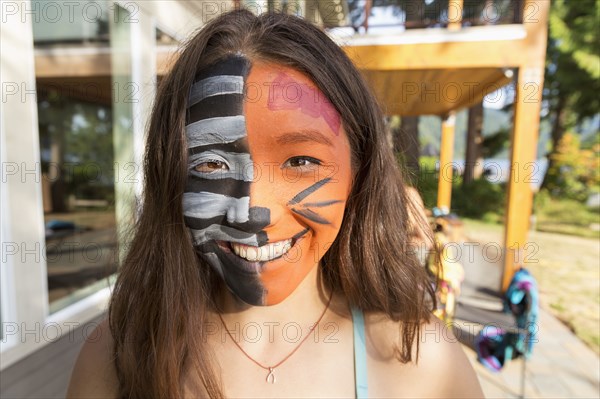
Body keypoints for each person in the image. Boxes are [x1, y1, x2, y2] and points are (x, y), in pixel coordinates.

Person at [66, 10, 484, 399]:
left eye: (302, 161)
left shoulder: (425, 365)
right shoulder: (118, 358)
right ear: (170, 177)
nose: (252, 210)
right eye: (211, 163)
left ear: (360, 170)